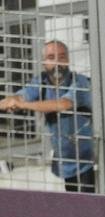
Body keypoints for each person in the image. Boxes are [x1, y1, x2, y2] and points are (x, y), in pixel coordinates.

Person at [0, 40, 95, 192]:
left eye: (62, 57)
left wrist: (23, 105)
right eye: (51, 58)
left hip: (90, 159)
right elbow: (22, 96)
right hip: (67, 160)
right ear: (44, 62)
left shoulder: (80, 82)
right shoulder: (41, 81)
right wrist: (12, 101)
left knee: (88, 205)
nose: (57, 62)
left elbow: (63, 104)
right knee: (74, 202)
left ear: (68, 60)